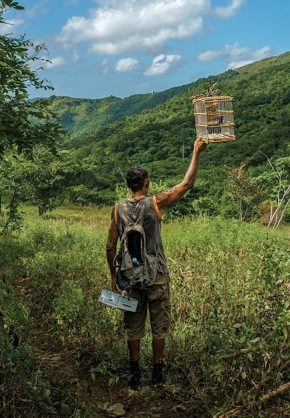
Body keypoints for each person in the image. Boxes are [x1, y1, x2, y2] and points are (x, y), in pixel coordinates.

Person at [106, 136, 208, 389]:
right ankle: (158, 373)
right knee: (159, 325)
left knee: (134, 327)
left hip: (130, 277)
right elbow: (187, 184)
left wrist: (113, 276)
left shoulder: (117, 209)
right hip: (157, 276)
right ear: (147, 183)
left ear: (128, 185)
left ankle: (134, 374)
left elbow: (110, 246)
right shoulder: (156, 202)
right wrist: (196, 151)